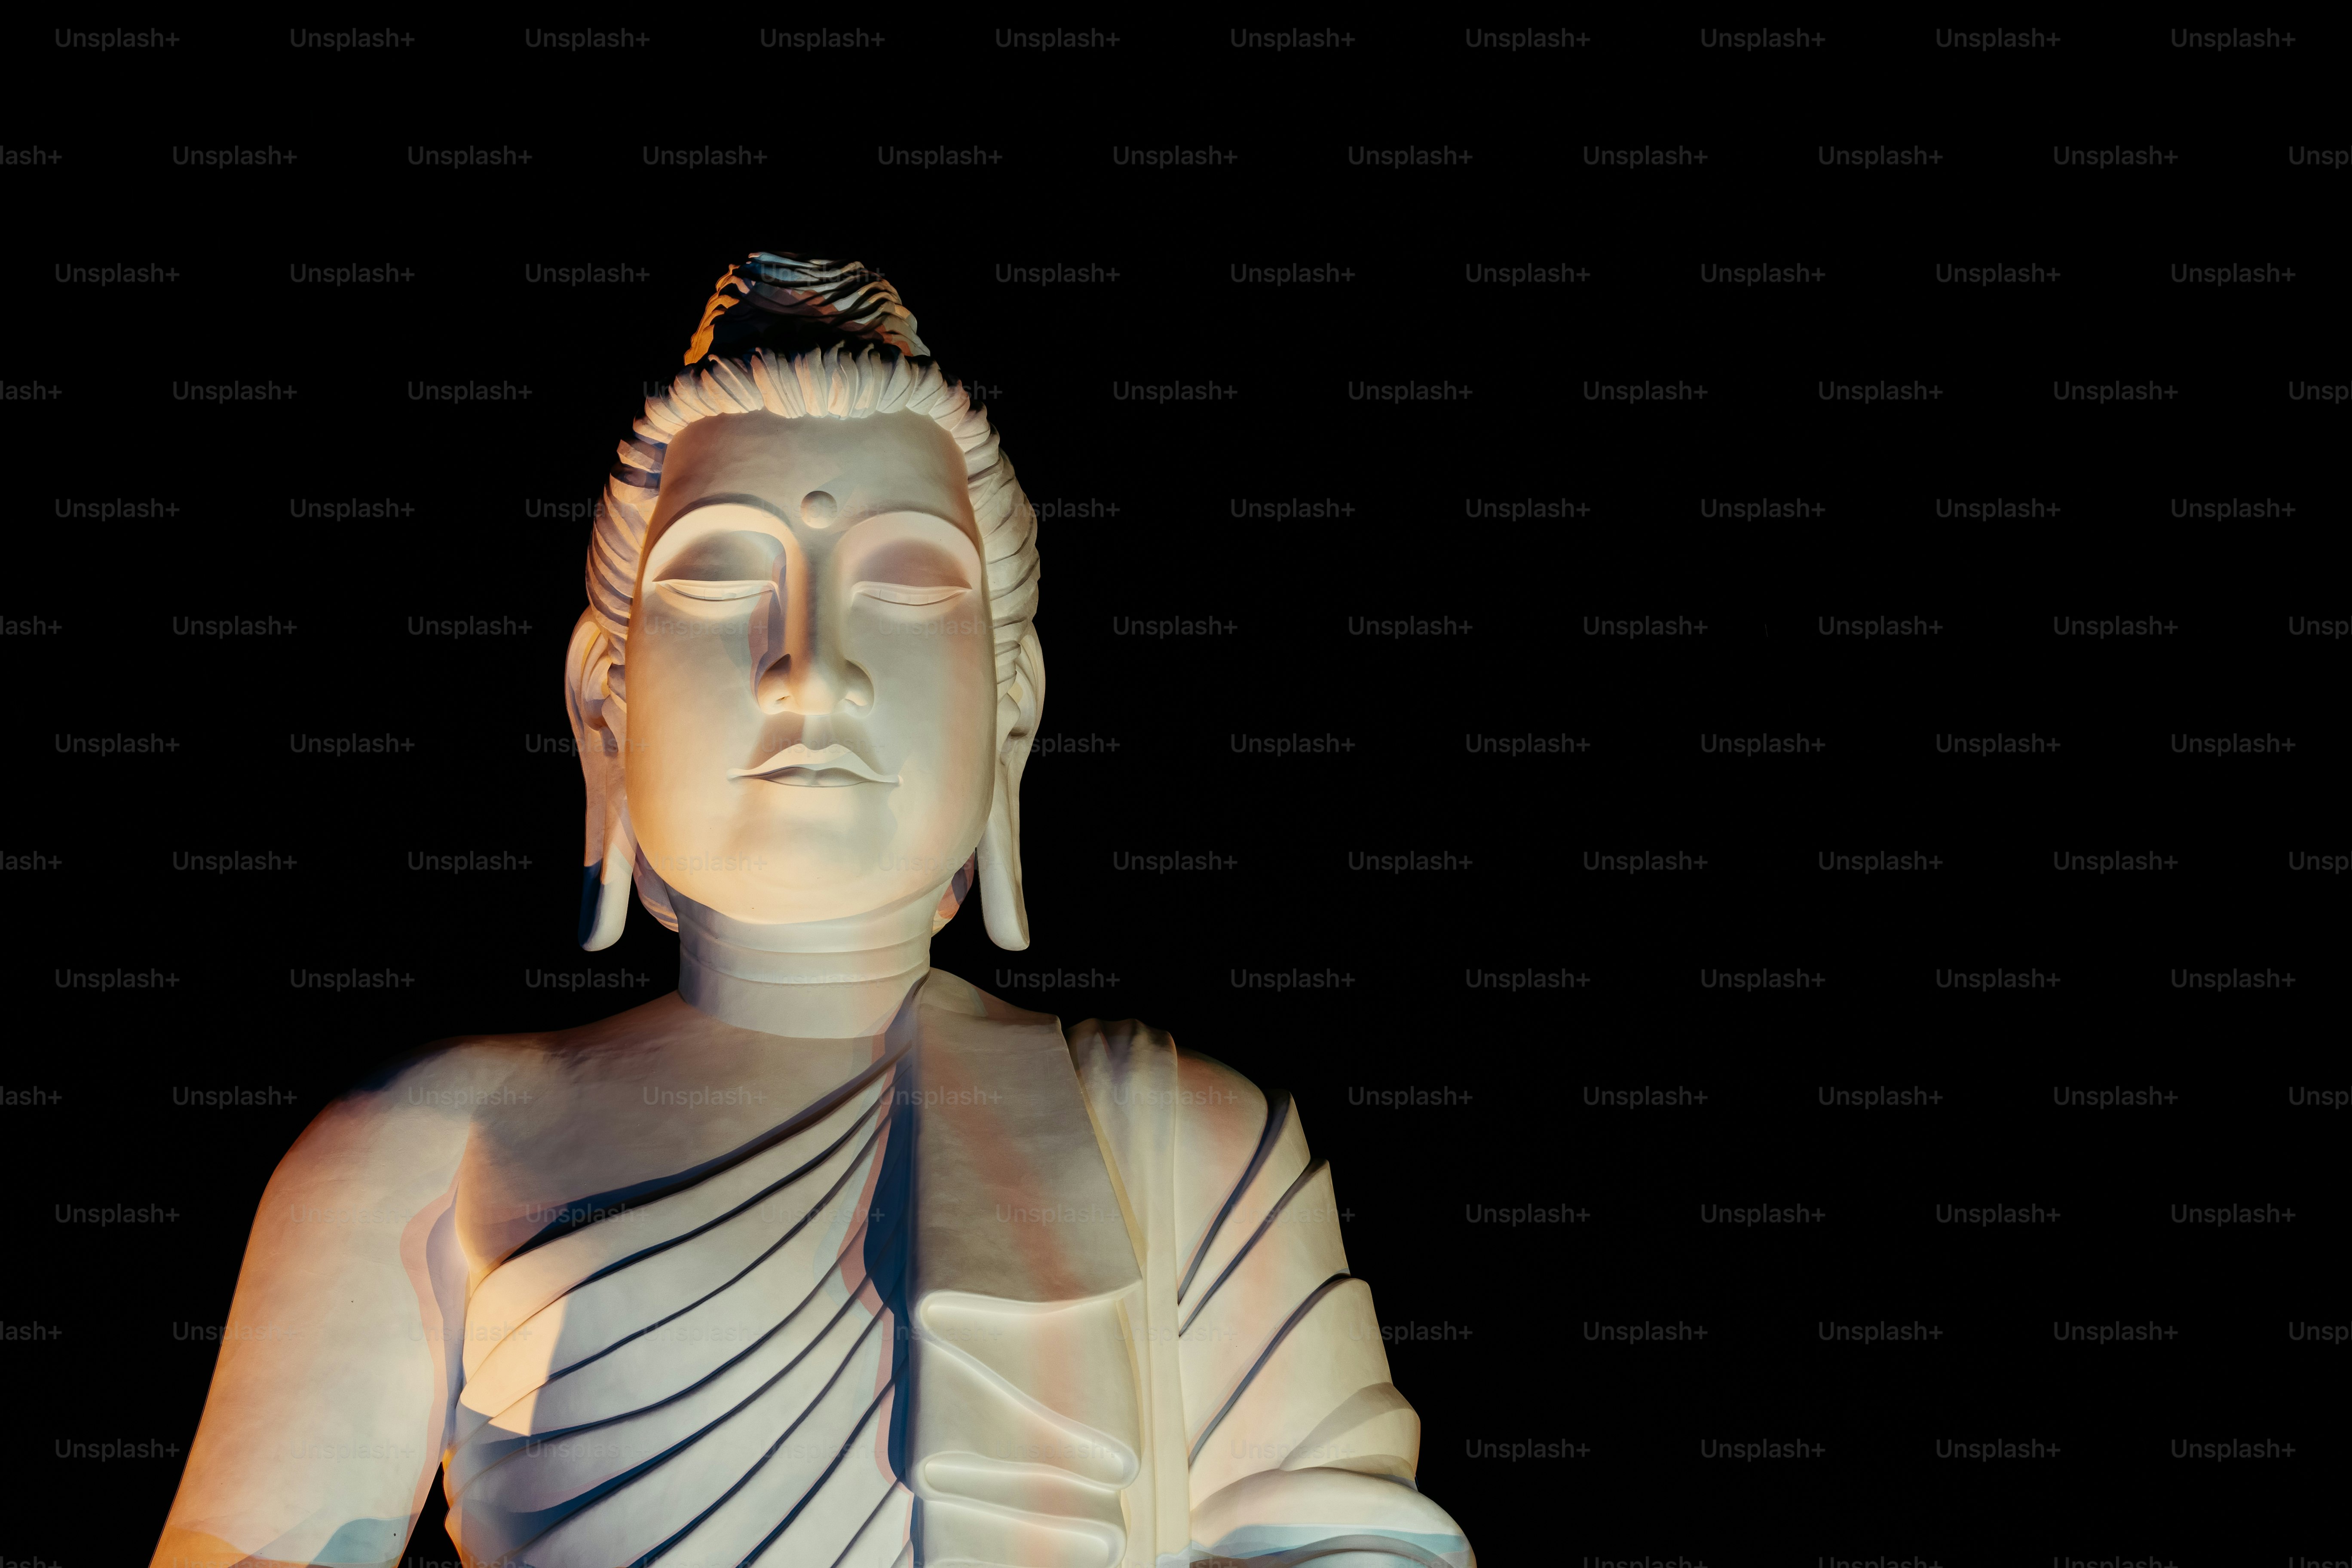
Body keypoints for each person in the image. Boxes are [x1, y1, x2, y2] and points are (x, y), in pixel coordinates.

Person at [150, 254, 1474, 1568]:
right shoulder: (426, 1150)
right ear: (602, 702)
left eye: (905, 587)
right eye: (724, 580)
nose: (812, 671)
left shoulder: (1189, 1148)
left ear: (1014, 705)